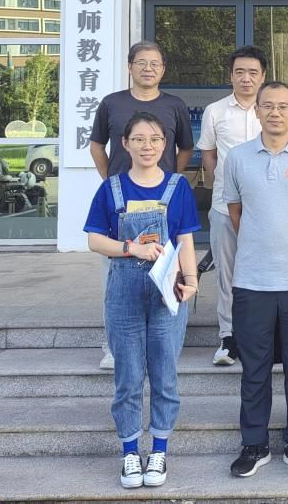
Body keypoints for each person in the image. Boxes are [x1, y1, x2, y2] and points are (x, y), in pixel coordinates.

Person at [84, 111, 200, 489]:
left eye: (154, 139)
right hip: (124, 292)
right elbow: (94, 239)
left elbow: (185, 239)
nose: (147, 146)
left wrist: (191, 281)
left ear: (165, 145)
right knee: (128, 376)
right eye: (138, 139)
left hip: (167, 291)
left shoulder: (178, 187)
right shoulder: (112, 189)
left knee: (165, 374)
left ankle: (160, 450)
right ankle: (131, 452)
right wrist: (130, 247)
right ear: (125, 144)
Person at [225, 81, 288, 480]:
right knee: (254, 367)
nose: (274, 112)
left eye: (282, 106)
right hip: (252, 280)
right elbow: (235, 211)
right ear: (256, 111)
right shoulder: (237, 157)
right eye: (267, 105)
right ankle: (254, 443)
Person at [89, 40, 194, 370]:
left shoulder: (174, 105)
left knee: (167, 272)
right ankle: (114, 346)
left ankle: (166, 343)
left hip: (163, 199)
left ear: (163, 69)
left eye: (155, 63)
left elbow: (185, 149)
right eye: (142, 62)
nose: (148, 69)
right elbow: (96, 145)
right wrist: (111, 179)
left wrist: (169, 181)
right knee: (115, 277)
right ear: (129, 67)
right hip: (122, 204)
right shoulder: (112, 103)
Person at [196, 46, 266, 367]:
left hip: (266, 209)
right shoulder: (215, 111)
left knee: (263, 272)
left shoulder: (271, 108)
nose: (246, 78)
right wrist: (222, 183)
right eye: (240, 72)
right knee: (227, 273)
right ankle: (228, 338)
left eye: (252, 72)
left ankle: (261, 334)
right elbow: (209, 154)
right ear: (231, 76)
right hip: (225, 206)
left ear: (263, 76)